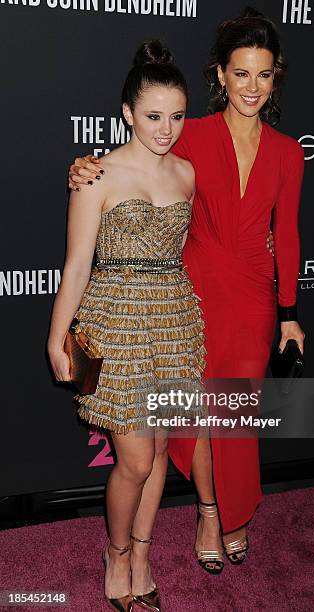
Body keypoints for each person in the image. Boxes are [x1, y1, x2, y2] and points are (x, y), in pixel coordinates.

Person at [68, 8, 305, 575]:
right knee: (194, 414)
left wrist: (290, 314)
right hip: (189, 295)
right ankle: (206, 511)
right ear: (220, 74)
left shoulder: (289, 152)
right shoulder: (189, 133)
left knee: (234, 415)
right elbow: (137, 164)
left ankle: (235, 511)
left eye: (264, 75)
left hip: (251, 297)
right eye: (241, 73)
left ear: (276, 80)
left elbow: (289, 233)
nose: (252, 86)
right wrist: (86, 166)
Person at [48, 39, 208, 611]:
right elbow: (75, 265)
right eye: (153, 116)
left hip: (173, 323)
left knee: (161, 451)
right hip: (113, 326)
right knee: (135, 460)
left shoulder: (188, 174)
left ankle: (142, 555)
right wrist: (56, 337)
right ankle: (115, 553)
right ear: (127, 113)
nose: (166, 129)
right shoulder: (96, 175)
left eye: (176, 116)